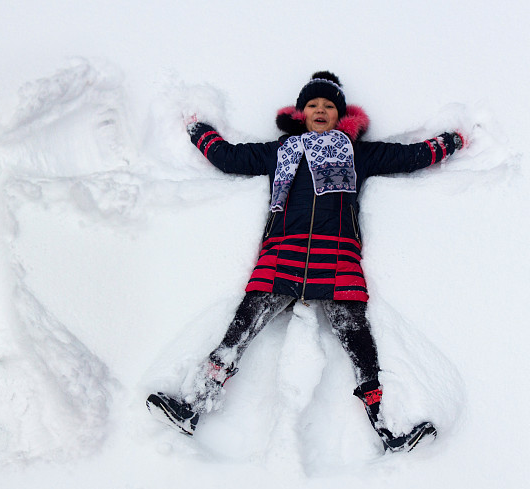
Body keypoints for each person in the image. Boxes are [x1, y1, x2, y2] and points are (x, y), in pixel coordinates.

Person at [146, 71, 464, 452]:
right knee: (239, 331)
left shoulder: (356, 152)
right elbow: (228, 157)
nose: (320, 110)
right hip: (282, 255)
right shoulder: (281, 150)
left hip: (337, 257)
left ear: (341, 115)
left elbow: (410, 156)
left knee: (359, 341)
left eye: (328, 106)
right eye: (313, 104)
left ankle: (388, 427)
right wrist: (200, 133)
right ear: (300, 112)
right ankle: (192, 406)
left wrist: (452, 141)